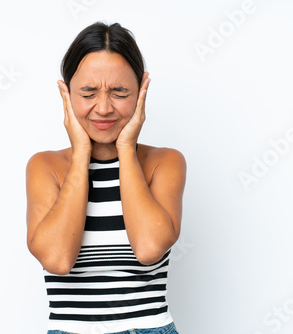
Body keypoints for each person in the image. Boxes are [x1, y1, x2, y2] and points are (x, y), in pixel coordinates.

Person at [26, 21, 187, 334]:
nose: (103, 108)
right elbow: (58, 259)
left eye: (119, 92)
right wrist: (80, 154)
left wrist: (125, 147)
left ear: (141, 91)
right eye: (87, 93)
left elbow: (149, 248)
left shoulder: (163, 163)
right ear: (67, 94)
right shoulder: (46, 167)